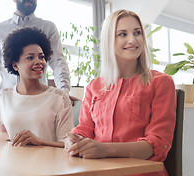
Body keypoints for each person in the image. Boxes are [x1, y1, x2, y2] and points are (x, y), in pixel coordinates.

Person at [64, 10, 176, 176]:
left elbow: (157, 145)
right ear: (109, 41)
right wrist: (72, 139)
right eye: (122, 34)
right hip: (97, 171)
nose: (132, 40)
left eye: (137, 33)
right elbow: (84, 129)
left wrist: (103, 150)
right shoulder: (94, 86)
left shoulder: (161, 82)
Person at [0, 27, 74, 147]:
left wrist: (39, 141)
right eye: (30, 57)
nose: (39, 61)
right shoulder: (3, 97)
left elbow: (67, 143)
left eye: (41, 57)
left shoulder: (59, 98)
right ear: (15, 66)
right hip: (14, 162)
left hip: (48, 164)